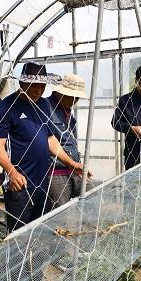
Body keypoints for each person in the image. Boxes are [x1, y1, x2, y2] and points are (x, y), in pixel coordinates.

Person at [0, 62, 83, 232]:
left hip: (43, 180)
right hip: (19, 184)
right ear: (22, 83)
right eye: (33, 86)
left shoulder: (43, 105)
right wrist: (12, 172)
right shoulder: (6, 107)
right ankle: (17, 260)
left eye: (42, 86)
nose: (38, 90)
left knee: (39, 230)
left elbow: (50, 139)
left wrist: (71, 163)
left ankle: (36, 260)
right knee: (19, 234)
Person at [45, 73, 89, 211]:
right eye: (72, 96)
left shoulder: (67, 110)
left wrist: (77, 164)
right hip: (55, 172)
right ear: (60, 92)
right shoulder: (45, 107)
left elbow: (71, 142)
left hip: (74, 169)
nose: (75, 100)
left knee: (91, 200)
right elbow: (47, 141)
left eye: (77, 97)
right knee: (60, 213)